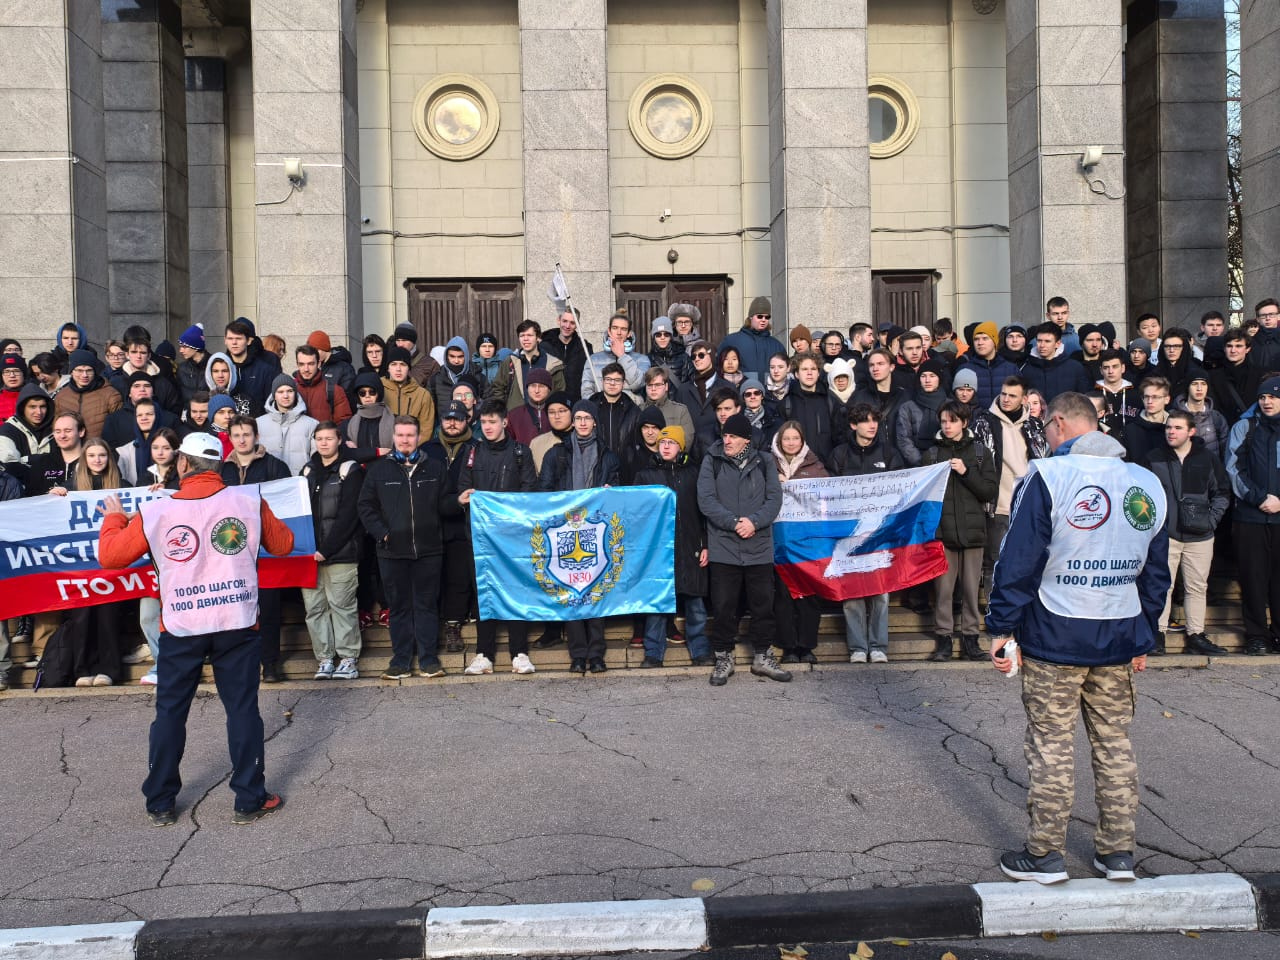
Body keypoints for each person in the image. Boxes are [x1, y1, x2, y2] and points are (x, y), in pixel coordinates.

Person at [988, 391, 1170, 885]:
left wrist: (1001, 626)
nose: (1045, 436)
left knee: (1051, 745)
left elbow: (1018, 560)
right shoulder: (1145, 482)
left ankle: (1045, 854)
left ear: (1060, 424)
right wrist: (1143, 635)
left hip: (1055, 633)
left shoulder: (1048, 475)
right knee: (1114, 744)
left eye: (1046, 427)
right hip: (1118, 632)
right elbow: (1156, 574)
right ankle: (1118, 853)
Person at [99, 431, 294, 826]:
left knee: (170, 713)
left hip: (182, 624)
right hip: (237, 621)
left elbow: (110, 556)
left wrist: (114, 517)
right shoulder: (248, 500)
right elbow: (284, 544)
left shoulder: (156, 511)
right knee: (242, 710)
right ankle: (249, 799)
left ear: (183, 464)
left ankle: (160, 803)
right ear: (220, 466)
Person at [358, 415, 455, 679]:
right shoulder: (379, 470)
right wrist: (383, 534)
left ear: (418, 437)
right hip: (391, 552)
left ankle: (428, 660)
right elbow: (365, 506)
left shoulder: (435, 468)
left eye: (410, 435)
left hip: (429, 550)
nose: (405, 440)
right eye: (400, 435)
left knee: (426, 606)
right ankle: (400, 661)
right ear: (393, 437)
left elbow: (445, 503)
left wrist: (459, 500)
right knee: (399, 607)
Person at [696, 412, 789, 686]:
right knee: (724, 606)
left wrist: (754, 522)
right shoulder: (711, 460)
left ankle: (763, 656)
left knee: (763, 606)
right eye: (725, 435)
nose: (727, 440)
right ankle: (724, 657)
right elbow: (706, 500)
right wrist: (734, 522)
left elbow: (774, 499)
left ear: (746, 440)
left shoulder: (765, 461)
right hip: (724, 546)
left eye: (733, 436)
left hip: (758, 546)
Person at [454, 400, 538, 676]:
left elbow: (529, 493)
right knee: (483, 593)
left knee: (516, 590)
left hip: (513, 537)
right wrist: (462, 499)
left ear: (504, 422)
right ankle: (484, 654)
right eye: (484, 422)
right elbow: (462, 489)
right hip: (479, 537)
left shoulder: (520, 452)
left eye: (493, 421)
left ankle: (519, 652)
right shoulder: (472, 452)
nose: (488, 426)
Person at [538, 400, 621, 674]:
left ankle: (596, 654)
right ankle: (577, 654)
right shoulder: (556, 454)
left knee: (595, 593)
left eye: (587, 418)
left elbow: (618, 492)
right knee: (572, 593)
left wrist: (610, 491)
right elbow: (544, 491)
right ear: (572, 422)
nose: (583, 423)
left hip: (595, 532)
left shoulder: (609, 456)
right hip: (565, 531)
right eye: (578, 418)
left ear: (595, 421)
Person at [1142, 410, 1230, 657]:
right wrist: (1154, 525)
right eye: (1169, 427)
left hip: (1200, 535)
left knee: (1197, 587)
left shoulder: (1207, 458)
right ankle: (1157, 634)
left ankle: (1196, 635)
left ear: (1191, 431)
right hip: (1165, 534)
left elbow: (1222, 492)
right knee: (1162, 586)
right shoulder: (1154, 458)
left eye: (1178, 428)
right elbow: (1142, 495)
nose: (1171, 432)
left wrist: (1210, 521)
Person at [922, 401, 998, 661]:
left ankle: (971, 640)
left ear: (964, 423)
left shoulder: (980, 452)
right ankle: (943, 640)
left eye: (952, 421)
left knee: (970, 590)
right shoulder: (932, 454)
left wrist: (966, 473)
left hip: (973, 533)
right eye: (943, 421)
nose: (947, 426)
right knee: (943, 591)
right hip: (943, 534)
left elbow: (989, 491)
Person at [634, 426, 713, 668]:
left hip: (691, 545)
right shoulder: (645, 475)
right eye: (662, 442)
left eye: (671, 443)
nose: (666, 446)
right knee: (657, 602)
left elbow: (705, 511)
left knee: (695, 603)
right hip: (658, 550)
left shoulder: (694, 473)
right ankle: (653, 653)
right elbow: (636, 513)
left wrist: (706, 544)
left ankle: (700, 651)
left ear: (681, 447)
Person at [833, 404, 903, 663]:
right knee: (852, 594)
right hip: (849, 536)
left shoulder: (889, 453)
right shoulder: (840, 454)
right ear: (854, 425)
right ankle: (858, 648)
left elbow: (900, 491)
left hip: (879, 534)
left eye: (875, 420)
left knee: (881, 593)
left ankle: (878, 646)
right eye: (865, 421)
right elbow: (830, 494)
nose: (872, 425)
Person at [300, 421, 364, 681]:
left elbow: (350, 516)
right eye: (319, 439)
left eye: (328, 438)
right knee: (314, 608)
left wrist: (326, 549)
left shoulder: (350, 470)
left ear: (339, 440)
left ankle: (348, 658)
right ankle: (325, 659)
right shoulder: (307, 471)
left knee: (342, 606)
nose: (324, 443)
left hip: (341, 553)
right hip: (309, 555)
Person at [1225, 376, 1280, 655]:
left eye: (1273, 397)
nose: (1267, 402)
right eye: (1262, 397)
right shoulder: (1244, 427)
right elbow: (1234, 469)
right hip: (1250, 519)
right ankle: (1257, 636)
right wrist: (1260, 498)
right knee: (1253, 580)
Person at [770, 420, 826, 664]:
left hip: (808, 543)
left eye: (795, 438)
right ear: (779, 441)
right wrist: (775, 483)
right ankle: (789, 646)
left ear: (802, 441)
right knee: (783, 597)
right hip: (779, 543)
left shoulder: (816, 466)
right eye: (786, 439)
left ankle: (807, 646)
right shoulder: (768, 465)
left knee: (809, 596)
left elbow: (827, 499)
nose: (791, 443)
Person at [491, 320, 566, 409]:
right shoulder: (510, 362)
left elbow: (559, 392)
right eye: (522, 335)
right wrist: (503, 410)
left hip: (543, 415)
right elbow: (498, 388)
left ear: (537, 338)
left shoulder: (553, 364)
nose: (525, 339)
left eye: (529, 335)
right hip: (515, 415)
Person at [257, 374, 317, 475]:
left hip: (300, 480)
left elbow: (317, 458)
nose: (285, 396)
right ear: (274, 395)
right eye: (280, 392)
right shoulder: (258, 424)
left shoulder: (312, 424)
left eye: (290, 391)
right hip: (269, 481)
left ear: (295, 393)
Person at [55, 350, 121, 438]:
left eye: (89, 371)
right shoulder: (61, 396)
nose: (84, 375)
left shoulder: (110, 395)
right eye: (79, 370)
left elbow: (119, 427)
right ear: (71, 372)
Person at [581, 313, 648, 398]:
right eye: (615, 328)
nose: (619, 333)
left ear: (629, 333)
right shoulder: (593, 360)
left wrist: (622, 356)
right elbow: (586, 392)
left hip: (630, 406)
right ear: (609, 331)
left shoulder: (642, 359)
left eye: (623, 329)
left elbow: (637, 384)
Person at [718, 296, 785, 378]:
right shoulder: (731, 341)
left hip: (769, 387)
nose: (763, 320)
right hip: (740, 386)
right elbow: (718, 365)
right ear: (751, 317)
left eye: (767, 317)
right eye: (759, 316)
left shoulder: (777, 346)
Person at [958, 322, 1018, 411]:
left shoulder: (1011, 369)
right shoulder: (965, 369)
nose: (980, 343)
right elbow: (958, 402)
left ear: (994, 341)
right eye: (976, 339)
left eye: (985, 338)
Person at [1022, 323, 1090, 401]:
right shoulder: (1026, 368)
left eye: (1047, 341)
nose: (1042, 345)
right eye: (1039, 341)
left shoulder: (1075, 368)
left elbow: (1084, 400)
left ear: (1057, 343)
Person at [540, 308, 594, 402]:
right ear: (559, 320)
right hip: (551, 401)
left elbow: (590, 377)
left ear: (577, 325)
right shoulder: (544, 347)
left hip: (576, 402)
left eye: (572, 323)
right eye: (565, 321)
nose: (567, 326)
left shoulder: (585, 348)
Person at [294, 344, 353, 427]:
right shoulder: (291, 390)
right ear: (297, 365)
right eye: (302, 364)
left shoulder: (334, 391)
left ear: (318, 364)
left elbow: (343, 424)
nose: (306, 369)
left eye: (311, 364)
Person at [381, 346, 435, 431]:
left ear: (409, 368)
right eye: (393, 364)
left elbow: (426, 429)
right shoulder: (378, 389)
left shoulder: (423, 395)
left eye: (403, 364)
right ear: (388, 368)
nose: (398, 369)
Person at [645, 315, 691, 385]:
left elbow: (690, 383)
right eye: (658, 335)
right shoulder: (647, 359)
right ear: (654, 338)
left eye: (666, 334)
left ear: (671, 336)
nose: (662, 337)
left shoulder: (684, 357)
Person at [176, 324, 208, 405]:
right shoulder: (182, 368)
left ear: (195, 346)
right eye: (180, 347)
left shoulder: (214, 365)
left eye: (184, 347)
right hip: (189, 411)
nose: (180, 350)